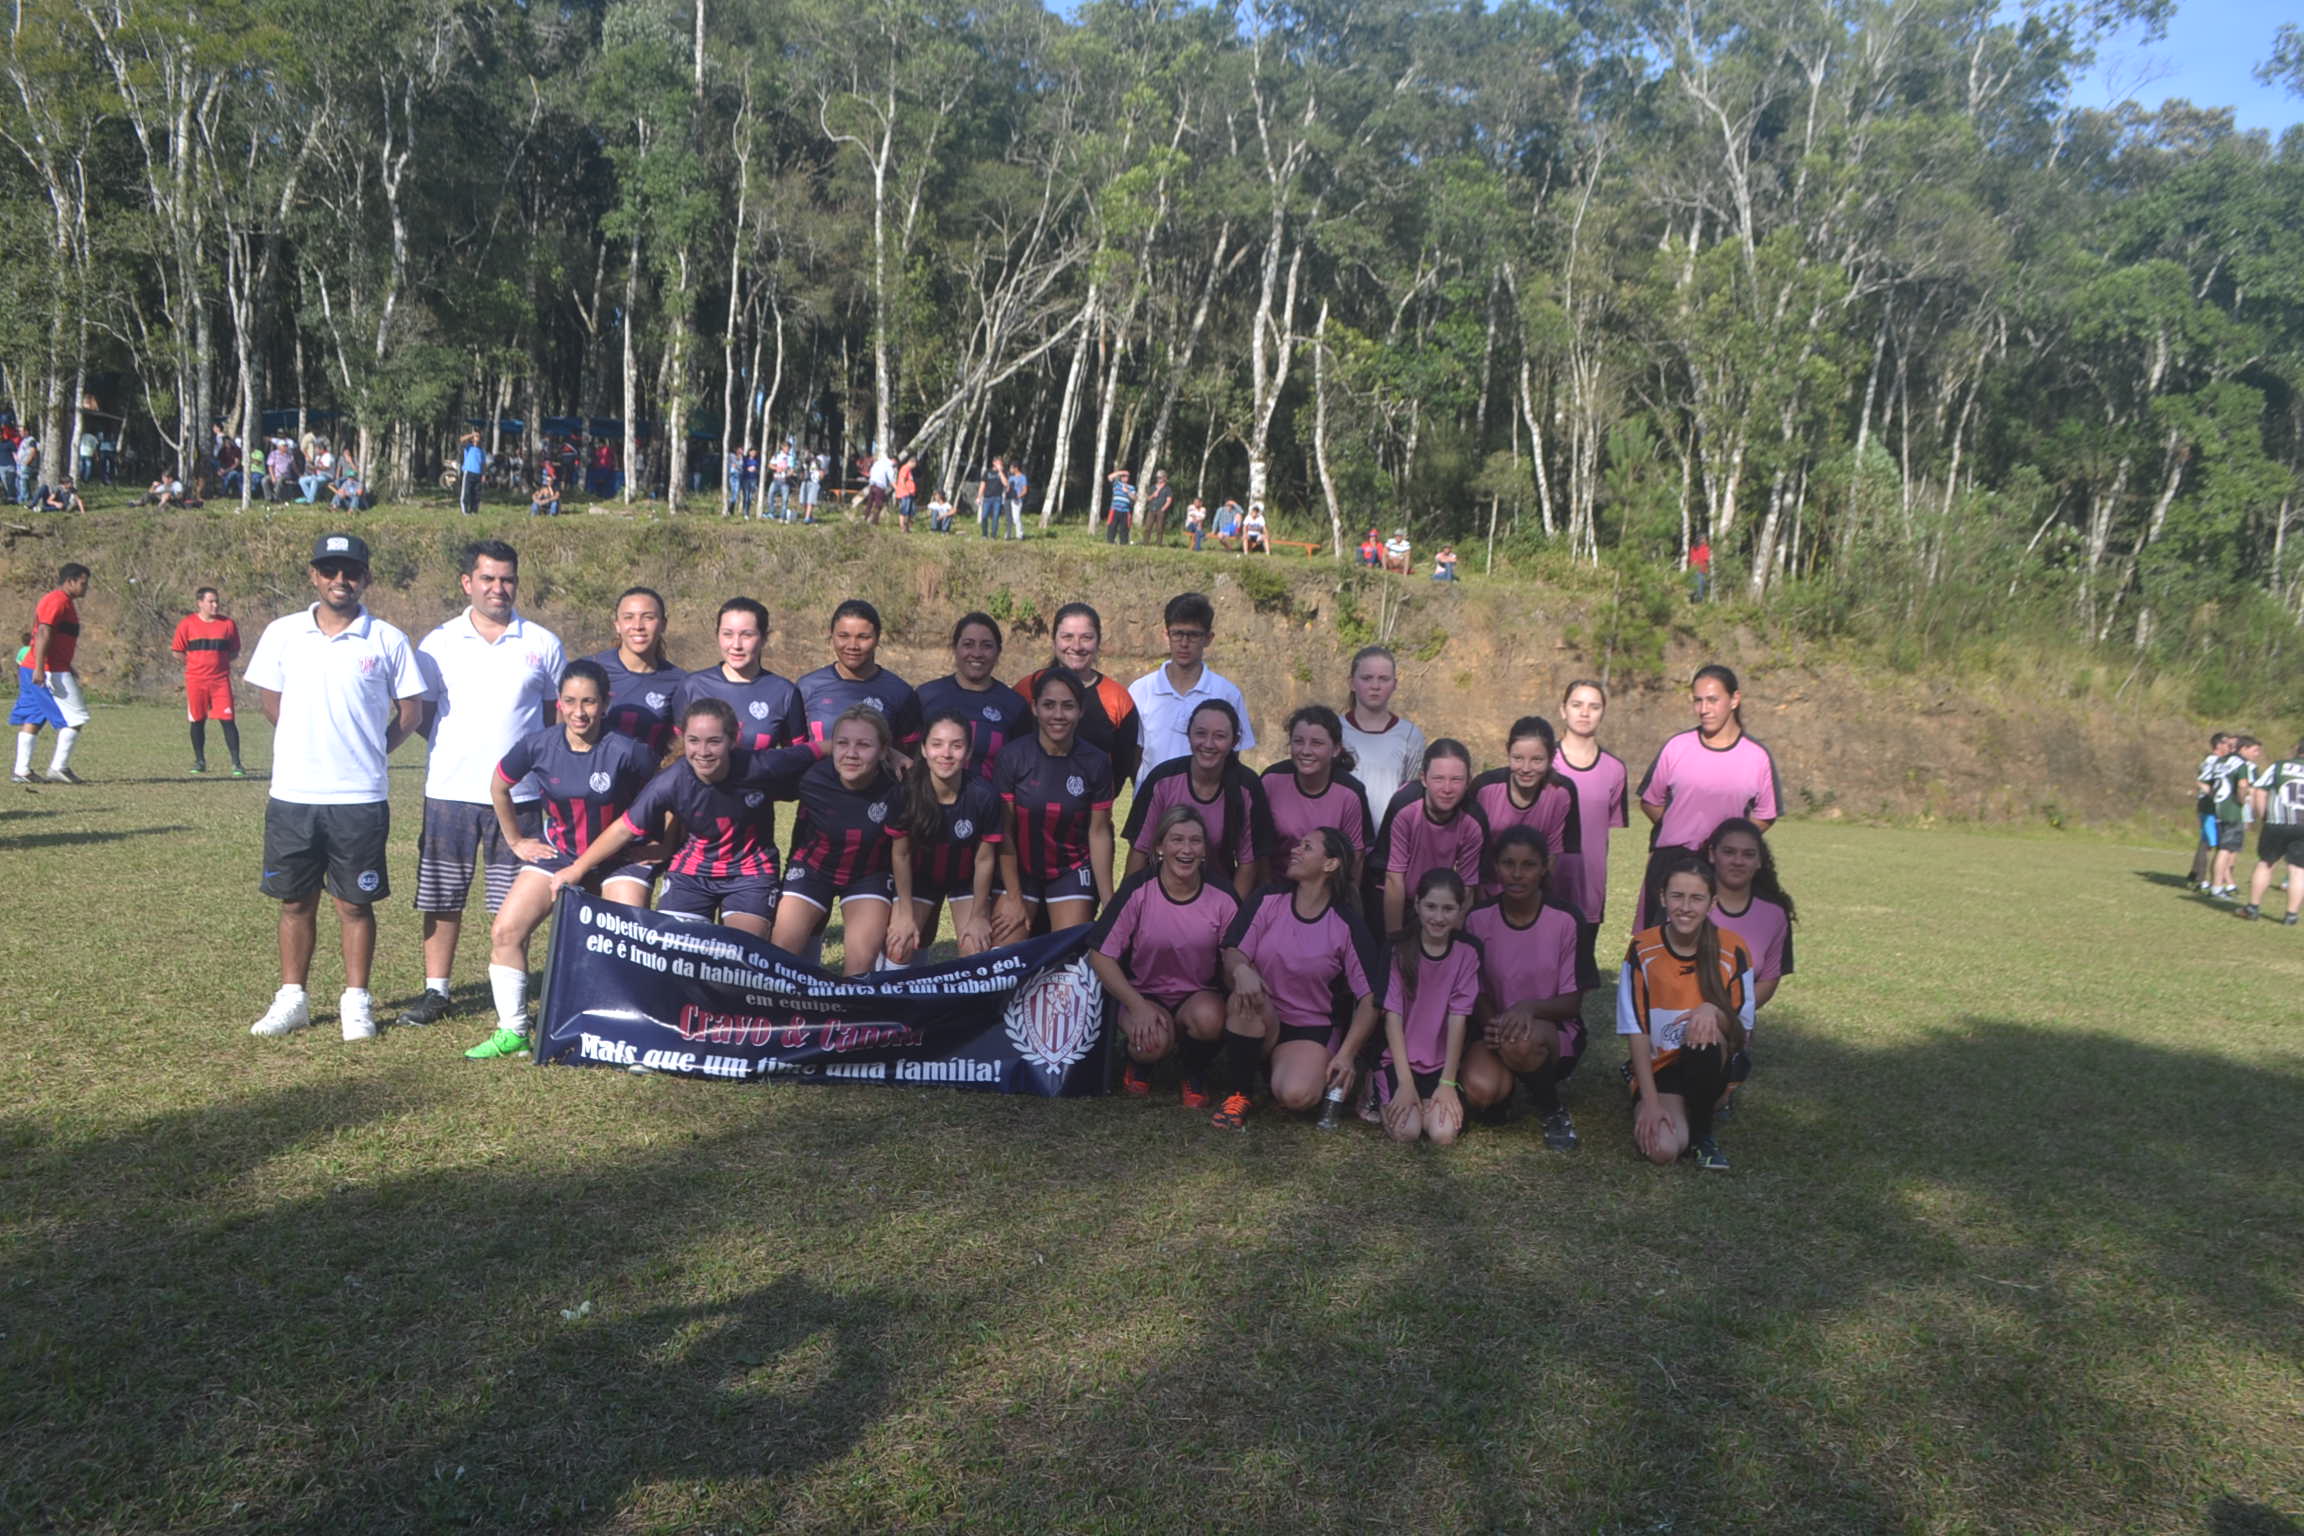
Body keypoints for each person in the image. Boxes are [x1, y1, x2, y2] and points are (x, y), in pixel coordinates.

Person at [245, 533, 429, 1042]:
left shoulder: (387, 638)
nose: (339, 580)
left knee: (354, 904)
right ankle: (293, 999)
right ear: (314, 576)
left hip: (359, 798)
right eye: (330, 570)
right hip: (294, 795)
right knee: (295, 901)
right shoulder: (283, 633)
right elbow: (270, 702)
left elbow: (410, 712)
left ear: (366, 577)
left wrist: (369, 750)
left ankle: (356, 1003)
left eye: (350, 571)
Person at [397, 541, 567, 1029]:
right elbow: (424, 716)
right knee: (441, 897)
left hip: (521, 798)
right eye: (488, 579)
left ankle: (510, 999)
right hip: (450, 791)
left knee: (513, 906)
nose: (498, 588)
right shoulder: (437, 643)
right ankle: (437, 992)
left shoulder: (543, 643)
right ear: (467, 583)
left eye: (507, 579)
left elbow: (555, 719)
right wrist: (462, 751)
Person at [466, 660, 662, 1060]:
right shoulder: (539, 744)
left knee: (630, 941)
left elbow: (669, 794)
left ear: (605, 703)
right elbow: (499, 785)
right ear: (559, 703)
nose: (579, 711)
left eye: (589, 701)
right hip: (560, 855)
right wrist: (517, 839)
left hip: (618, 859)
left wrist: (663, 846)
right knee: (505, 931)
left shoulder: (627, 750)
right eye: (570, 701)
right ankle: (514, 1031)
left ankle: (627, 1031)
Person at [549, 698, 811, 938]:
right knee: (676, 952)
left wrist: (848, 749)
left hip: (751, 873)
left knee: (741, 954)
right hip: (692, 873)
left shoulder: (761, 765)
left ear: (733, 740)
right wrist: (577, 869)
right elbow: (623, 829)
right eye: (694, 740)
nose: (703, 751)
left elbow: (821, 750)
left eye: (714, 741)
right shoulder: (671, 780)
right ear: (683, 739)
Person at [1215, 827, 1383, 1131]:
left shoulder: (1346, 923)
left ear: (1330, 864)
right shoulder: (1268, 898)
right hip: (1264, 1015)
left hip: (1311, 1028)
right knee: (1244, 996)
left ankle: (1274, 1071)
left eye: (1306, 847)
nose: (1295, 849)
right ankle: (1238, 1094)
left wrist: (1346, 1055)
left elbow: (1371, 998)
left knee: (1297, 1096)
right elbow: (1233, 950)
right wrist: (1241, 970)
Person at [1089, 806, 1240, 1104]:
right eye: (1177, 840)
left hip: (1197, 995)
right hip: (1143, 993)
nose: (1186, 849)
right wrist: (1137, 1006)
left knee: (1210, 1019)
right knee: (1153, 1043)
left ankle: (1194, 1070)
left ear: (1205, 850)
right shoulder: (1138, 889)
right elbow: (1101, 956)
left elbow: (1236, 954)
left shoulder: (1222, 896)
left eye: (1195, 841)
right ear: (1159, 847)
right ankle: (1140, 1064)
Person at [1620, 855, 1754, 1171]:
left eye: (1697, 898)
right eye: (1677, 896)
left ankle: (1703, 1134)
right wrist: (1650, 1103)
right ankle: (1645, 1086)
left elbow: (1742, 1030)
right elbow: (1635, 1028)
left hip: (1713, 1062)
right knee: (1662, 1150)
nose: (1685, 907)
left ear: (1712, 904)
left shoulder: (1733, 948)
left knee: (1703, 1029)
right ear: (1662, 898)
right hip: (1662, 1067)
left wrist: (1713, 1010)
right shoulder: (1642, 948)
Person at [770, 704, 915, 974]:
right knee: (781, 952)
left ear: (884, 750)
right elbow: (766, 767)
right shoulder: (811, 777)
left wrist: (904, 910)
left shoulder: (897, 787)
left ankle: (851, 1015)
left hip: (867, 874)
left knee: (860, 964)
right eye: (842, 743)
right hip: (812, 869)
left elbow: (902, 853)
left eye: (863, 745)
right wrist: (823, 747)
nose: (851, 753)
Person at [1635, 663, 1781, 929]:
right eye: (1698, 701)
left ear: (1735, 699)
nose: (1704, 709)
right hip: (1670, 863)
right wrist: (1680, 829)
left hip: (1721, 870)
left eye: (1713, 700)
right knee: (1654, 949)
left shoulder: (1756, 757)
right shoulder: (1676, 747)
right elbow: (1650, 800)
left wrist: (1727, 843)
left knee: (1711, 950)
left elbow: (1766, 814)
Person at [1467, 828, 1586, 1150]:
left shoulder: (1566, 919)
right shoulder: (1478, 919)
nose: (1517, 874)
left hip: (1550, 1032)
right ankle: (1507, 1091)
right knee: (1480, 1092)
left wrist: (1529, 1009)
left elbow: (1572, 1003)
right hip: (1496, 1029)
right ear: (1495, 865)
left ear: (1545, 866)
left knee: (1520, 1042)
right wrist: (1492, 1022)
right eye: (1508, 863)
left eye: (1528, 865)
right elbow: (1474, 989)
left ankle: (1552, 1109)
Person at [1378, 868, 1503, 1144]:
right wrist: (1406, 1083)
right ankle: (1376, 1087)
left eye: (1448, 909)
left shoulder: (1468, 951)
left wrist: (1447, 1083)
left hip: (1440, 1064)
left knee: (1443, 1135)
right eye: (1431, 906)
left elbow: (1459, 1017)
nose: (1438, 917)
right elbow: (1392, 1017)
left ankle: (1427, 1100)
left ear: (1461, 910)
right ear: (1417, 905)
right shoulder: (1398, 949)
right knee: (1406, 1132)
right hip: (1400, 1062)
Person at [992, 667, 1117, 939]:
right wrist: (1014, 897)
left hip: (1070, 867)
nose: (1058, 715)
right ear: (1035, 708)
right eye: (1049, 705)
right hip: (1021, 868)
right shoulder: (1012, 757)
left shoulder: (1095, 762)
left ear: (1081, 710)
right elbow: (1005, 834)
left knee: (1065, 953)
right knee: (1006, 961)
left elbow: (1099, 832)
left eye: (1068, 706)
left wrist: (1109, 901)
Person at [1122, 698, 1271, 898]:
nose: (1208, 744)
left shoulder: (1246, 786)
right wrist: (1126, 903)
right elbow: (1139, 849)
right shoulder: (1163, 779)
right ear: (1189, 735)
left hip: (1218, 896)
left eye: (1220, 736)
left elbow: (1247, 864)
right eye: (1200, 734)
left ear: (1234, 742)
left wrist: (1233, 917)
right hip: (1160, 892)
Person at [898, 710, 1006, 955]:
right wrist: (904, 914)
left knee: (975, 946)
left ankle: (966, 994)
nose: (946, 754)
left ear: (968, 753)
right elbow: (901, 856)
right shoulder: (907, 793)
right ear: (924, 749)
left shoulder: (983, 794)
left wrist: (979, 915)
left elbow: (984, 858)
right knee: (900, 942)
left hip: (965, 880)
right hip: (919, 878)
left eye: (956, 746)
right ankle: (905, 991)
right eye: (936, 744)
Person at [1128, 591, 1256, 774]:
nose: (1184, 643)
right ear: (1166, 635)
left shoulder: (1227, 693)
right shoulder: (1141, 690)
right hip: (1154, 799)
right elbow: (1135, 755)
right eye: (1178, 634)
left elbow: (1233, 756)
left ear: (1208, 638)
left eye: (1193, 635)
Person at [1553, 678, 1629, 983]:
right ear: (1563, 710)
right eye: (1577, 704)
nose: (1585, 713)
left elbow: (1607, 826)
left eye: (1594, 706)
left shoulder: (1615, 769)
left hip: (1588, 886)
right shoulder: (1545, 762)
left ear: (1603, 713)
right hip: (1544, 881)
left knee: (1578, 969)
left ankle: (1572, 1027)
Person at [1019, 602, 1141, 791]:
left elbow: (1120, 768)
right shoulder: (1027, 689)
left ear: (1098, 642)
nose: (1076, 646)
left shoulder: (1117, 698)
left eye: (1086, 638)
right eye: (1067, 637)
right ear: (1054, 641)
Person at [1375, 739, 1485, 935]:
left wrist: (1451, 941)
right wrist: (1394, 939)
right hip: (1396, 896)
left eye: (1456, 779)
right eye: (1438, 778)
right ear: (1424, 779)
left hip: (1441, 904)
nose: (1447, 788)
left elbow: (1467, 888)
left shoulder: (1474, 820)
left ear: (1469, 781)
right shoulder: (1405, 805)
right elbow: (1394, 878)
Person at [670, 597, 806, 752]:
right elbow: (676, 752)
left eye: (746, 635)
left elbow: (796, 757)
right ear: (717, 635)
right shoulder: (692, 686)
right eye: (727, 634)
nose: (736, 645)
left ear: (764, 638)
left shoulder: (784, 692)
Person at [1258, 704, 1375, 884]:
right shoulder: (1271, 780)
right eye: (1298, 741)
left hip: (1327, 891)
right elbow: (1260, 847)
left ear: (1336, 749)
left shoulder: (1350, 793)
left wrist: (1346, 904)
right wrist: (1266, 896)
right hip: (1278, 885)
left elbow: (1356, 858)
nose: (1305, 751)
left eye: (1316, 743)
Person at [1470, 716, 1582, 897]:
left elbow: (1555, 855)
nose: (1526, 768)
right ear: (1508, 752)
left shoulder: (1561, 792)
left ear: (1552, 757)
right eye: (1518, 758)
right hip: (1486, 891)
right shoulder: (1484, 788)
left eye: (1537, 760)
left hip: (1534, 893)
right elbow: (1470, 850)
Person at [798, 599, 923, 749]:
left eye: (863, 637)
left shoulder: (900, 693)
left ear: (877, 638)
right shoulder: (807, 687)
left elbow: (910, 755)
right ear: (831, 636)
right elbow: (794, 752)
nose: (852, 646)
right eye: (843, 636)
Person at [917, 611, 1029, 775]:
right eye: (968, 644)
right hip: (930, 798)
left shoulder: (1014, 705)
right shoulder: (926, 696)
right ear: (955, 648)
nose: (977, 653)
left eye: (986, 646)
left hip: (991, 799)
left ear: (998, 652)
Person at [13, 563, 92, 784]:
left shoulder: (64, 602)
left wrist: (67, 664)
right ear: (70, 581)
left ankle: (21, 771)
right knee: (77, 717)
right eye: (83, 583)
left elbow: (49, 634)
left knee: (34, 717)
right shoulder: (56, 600)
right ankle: (59, 767)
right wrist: (40, 667)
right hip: (48, 669)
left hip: (42, 666)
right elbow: (43, 632)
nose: (86, 588)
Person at [588, 586, 685, 753]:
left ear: (663, 625)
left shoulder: (681, 682)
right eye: (628, 617)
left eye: (648, 617)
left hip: (651, 778)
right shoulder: (590, 670)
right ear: (617, 625)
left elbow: (680, 748)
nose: (638, 626)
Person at [1339, 646, 1426, 813]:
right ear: (1351, 683)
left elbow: (1412, 793)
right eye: (1367, 678)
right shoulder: (1334, 730)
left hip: (1391, 834)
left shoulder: (1410, 735)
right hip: (1341, 835)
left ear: (1395, 684)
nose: (1375, 686)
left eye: (1384, 679)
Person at [171, 585, 245, 776]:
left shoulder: (228, 624)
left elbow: (234, 650)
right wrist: (195, 664)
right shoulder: (187, 624)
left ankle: (236, 763)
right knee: (197, 720)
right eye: (210, 601)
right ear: (200, 603)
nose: (215, 605)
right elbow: (177, 651)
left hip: (220, 681)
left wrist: (219, 664)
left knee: (228, 720)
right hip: (196, 681)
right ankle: (199, 761)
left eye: (216, 601)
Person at [2239, 737, 2304, 924]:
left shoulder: (2280, 766)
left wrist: (2263, 816)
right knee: (2298, 871)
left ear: (2298, 749)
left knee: (2266, 863)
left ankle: (2252, 907)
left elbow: (2259, 790)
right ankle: (2291, 915)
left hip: (2277, 821)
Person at [2204, 737, 2255, 900]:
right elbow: (2242, 786)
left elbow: (2207, 785)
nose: (2256, 754)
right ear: (2243, 749)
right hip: (2232, 811)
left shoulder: (2219, 762)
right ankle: (2217, 888)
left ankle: (2216, 885)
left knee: (2221, 850)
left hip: (2218, 809)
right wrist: (2242, 802)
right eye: (2253, 749)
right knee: (2226, 851)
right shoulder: (2241, 764)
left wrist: (2216, 798)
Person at [2192, 731, 2237, 891]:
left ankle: (2203, 878)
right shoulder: (2213, 761)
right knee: (2212, 844)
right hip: (2209, 806)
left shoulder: (2219, 761)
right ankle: (2205, 880)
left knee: (2210, 843)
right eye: (2226, 743)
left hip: (2211, 806)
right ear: (2218, 745)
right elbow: (2201, 781)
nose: (2230, 747)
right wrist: (2214, 794)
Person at [1140, 469, 1174, 545]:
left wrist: (1163, 509)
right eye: (1158, 477)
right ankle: (1145, 543)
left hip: (1160, 510)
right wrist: (1153, 495)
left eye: (1160, 477)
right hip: (1151, 509)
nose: (1159, 479)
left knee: (1159, 528)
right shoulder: (1152, 487)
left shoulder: (1167, 489)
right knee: (1148, 527)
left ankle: (1158, 543)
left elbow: (1169, 500)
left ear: (1165, 478)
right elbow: (1148, 498)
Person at [978, 455, 1007, 539]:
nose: (999, 464)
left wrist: (1000, 472)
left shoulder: (1003, 472)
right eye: (998, 462)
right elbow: (982, 484)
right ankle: (984, 534)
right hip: (987, 498)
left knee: (995, 517)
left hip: (997, 498)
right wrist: (979, 496)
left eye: (1000, 462)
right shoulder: (987, 472)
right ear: (993, 463)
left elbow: (1005, 483)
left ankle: (993, 535)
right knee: (984, 516)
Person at [1104, 468, 1135, 546]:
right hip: (1115, 508)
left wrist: (1127, 491)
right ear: (1121, 477)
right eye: (1123, 476)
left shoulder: (1131, 487)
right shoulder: (1117, 484)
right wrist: (1120, 472)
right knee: (1112, 526)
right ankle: (1110, 541)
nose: (1125, 478)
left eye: (1126, 476)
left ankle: (1123, 543)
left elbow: (1134, 498)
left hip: (1125, 510)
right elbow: (1109, 477)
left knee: (1124, 528)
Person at [458, 432, 487, 515]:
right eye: (476, 437)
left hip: (478, 474)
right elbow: (461, 439)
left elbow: (483, 464)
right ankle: (465, 511)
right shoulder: (468, 447)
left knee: (476, 494)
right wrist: (472, 434)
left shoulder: (481, 450)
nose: (478, 438)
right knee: (467, 492)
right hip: (469, 472)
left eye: (479, 436)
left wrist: (484, 474)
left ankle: (474, 511)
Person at [766, 440, 794, 520]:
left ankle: (782, 517)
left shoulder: (791, 457)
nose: (787, 449)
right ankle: (772, 513)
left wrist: (788, 474)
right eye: (785, 447)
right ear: (782, 447)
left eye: (788, 448)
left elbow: (791, 469)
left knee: (785, 500)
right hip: (776, 479)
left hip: (785, 481)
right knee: (770, 496)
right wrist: (776, 468)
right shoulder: (777, 455)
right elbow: (770, 465)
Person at [1005, 459, 1030, 539]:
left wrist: (1018, 496)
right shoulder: (1011, 477)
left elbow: (1025, 490)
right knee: (1009, 518)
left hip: (1017, 500)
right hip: (1009, 499)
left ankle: (1020, 534)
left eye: (1011, 468)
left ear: (1016, 468)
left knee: (1016, 518)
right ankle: (1008, 535)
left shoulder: (1022, 477)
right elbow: (1008, 488)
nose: (1010, 470)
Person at [894, 454, 918, 531]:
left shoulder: (909, 470)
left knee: (910, 511)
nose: (915, 467)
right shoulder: (905, 468)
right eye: (915, 465)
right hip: (905, 493)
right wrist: (907, 490)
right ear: (912, 462)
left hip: (910, 494)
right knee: (904, 510)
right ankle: (902, 527)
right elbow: (902, 480)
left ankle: (907, 527)